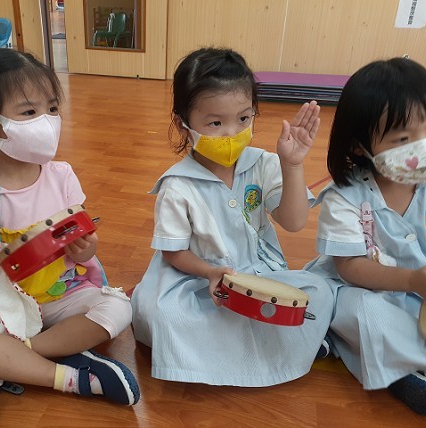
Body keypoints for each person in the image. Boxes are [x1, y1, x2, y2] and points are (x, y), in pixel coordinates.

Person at [0, 48, 139, 422]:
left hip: (66, 293)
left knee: (118, 308)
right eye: (29, 112)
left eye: (52, 108)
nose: (48, 122)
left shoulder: (61, 175)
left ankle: (5, 362)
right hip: (5, 302)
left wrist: (87, 248)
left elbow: (82, 250)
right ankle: (71, 378)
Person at [130, 47, 334, 387]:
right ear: (183, 124)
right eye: (215, 123)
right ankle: (280, 344)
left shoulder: (263, 164)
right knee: (161, 313)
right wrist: (210, 272)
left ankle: (238, 347)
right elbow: (173, 252)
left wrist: (292, 164)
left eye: (243, 118)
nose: (231, 132)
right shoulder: (177, 184)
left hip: (259, 274)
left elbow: (294, 221)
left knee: (321, 291)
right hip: (199, 279)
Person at [303, 57, 426, 417]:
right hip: (361, 287)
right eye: (404, 139)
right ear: (359, 146)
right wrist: (412, 280)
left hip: (423, 287)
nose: (424, 147)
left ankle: (397, 364)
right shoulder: (346, 197)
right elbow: (350, 267)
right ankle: (412, 371)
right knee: (367, 314)